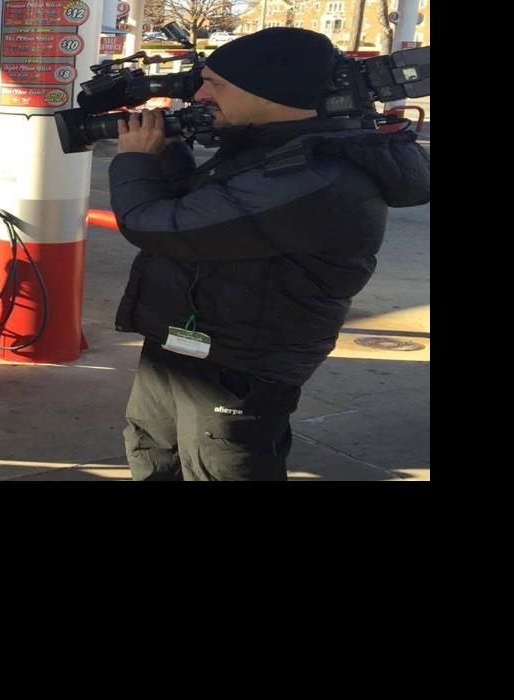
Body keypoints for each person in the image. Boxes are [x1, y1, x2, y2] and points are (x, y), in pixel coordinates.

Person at [108, 28, 430, 481]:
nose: (200, 94)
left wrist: (135, 159)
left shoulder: (314, 174)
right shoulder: (270, 146)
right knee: (155, 453)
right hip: (189, 338)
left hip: (241, 360)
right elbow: (199, 209)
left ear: (271, 93)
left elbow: (159, 225)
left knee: (223, 467)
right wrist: (169, 149)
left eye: (216, 84)